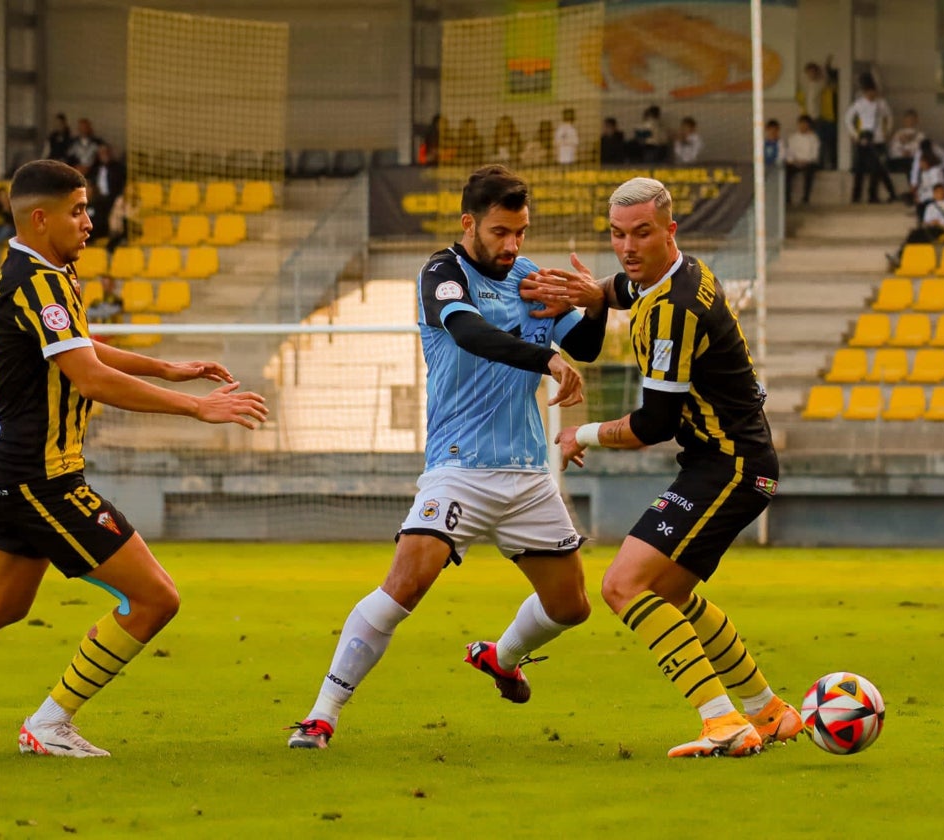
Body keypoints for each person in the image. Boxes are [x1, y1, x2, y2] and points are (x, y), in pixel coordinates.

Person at [0, 159, 268, 757]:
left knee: (0, 603)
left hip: (13, 466)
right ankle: (49, 722)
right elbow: (88, 377)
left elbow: (80, 346)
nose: (90, 221)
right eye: (79, 210)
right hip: (44, 477)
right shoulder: (40, 281)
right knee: (155, 598)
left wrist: (167, 366)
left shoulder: (36, 273)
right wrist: (195, 409)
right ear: (41, 218)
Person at [286, 164, 607, 751]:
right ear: (470, 223)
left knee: (572, 607)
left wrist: (596, 301)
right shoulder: (442, 272)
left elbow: (584, 343)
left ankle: (502, 657)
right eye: (501, 232)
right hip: (459, 468)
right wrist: (548, 360)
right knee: (406, 585)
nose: (512, 245)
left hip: (529, 476)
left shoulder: (530, 275)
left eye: (522, 233)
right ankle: (321, 714)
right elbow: (468, 333)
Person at [519, 176, 801, 758]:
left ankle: (722, 722)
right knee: (666, 595)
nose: (628, 247)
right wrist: (593, 294)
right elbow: (624, 286)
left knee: (623, 585)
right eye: (618, 234)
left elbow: (654, 425)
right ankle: (769, 713)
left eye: (642, 233)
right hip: (724, 462)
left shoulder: (673, 313)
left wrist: (580, 433)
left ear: (670, 232)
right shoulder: (678, 274)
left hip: (729, 467)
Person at [844, 79, 897, 203]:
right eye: (868, 93)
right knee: (859, 169)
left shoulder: (881, 103)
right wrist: (854, 134)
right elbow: (848, 119)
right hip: (863, 138)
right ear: (864, 92)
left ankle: (872, 196)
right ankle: (855, 196)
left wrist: (887, 131)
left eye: (873, 92)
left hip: (878, 138)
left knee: (876, 168)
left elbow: (889, 117)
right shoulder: (859, 103)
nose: (871, 95)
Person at [797, 58, 838, 169]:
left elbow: (827, 79)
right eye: (809, 72)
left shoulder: (820, 84)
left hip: (819, 117)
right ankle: (812, 162)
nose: (811, 74)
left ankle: (822, 164)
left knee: (822, 142)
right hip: (808, 118)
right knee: (810, 141)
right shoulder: (806, 86)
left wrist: (825, 66)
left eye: (813, 72)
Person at [88, 144, 126, 239]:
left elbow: (122, 185)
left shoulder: (118, 168)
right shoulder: (95, 169)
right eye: (101, 153)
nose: (104, 155)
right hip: (97, 200)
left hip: (112, 199)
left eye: (106, 152)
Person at [785, 115, 821, 205]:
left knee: (809, 172)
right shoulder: (793, 138)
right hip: (795, 162)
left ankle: (805, 198)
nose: (803, 126)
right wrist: (794, 161)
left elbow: (814, 154)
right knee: (786, 171)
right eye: (801, 124)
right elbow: (789, 152)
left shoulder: (814, 138)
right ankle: (787, 198)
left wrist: (806, 161)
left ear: (808, 125)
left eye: (805, 124)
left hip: (809, 162)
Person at [888, 109, 925, 176]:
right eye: (907, 119)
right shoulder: (897, 134)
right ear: (904, 120)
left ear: (916, 120)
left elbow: (921, 149)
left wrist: (910, 152)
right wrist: (902, 153)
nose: (909, 121)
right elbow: (893, 148)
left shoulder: (920, 135)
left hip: (913, 161)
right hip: (898, 161)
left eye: (912, 119)